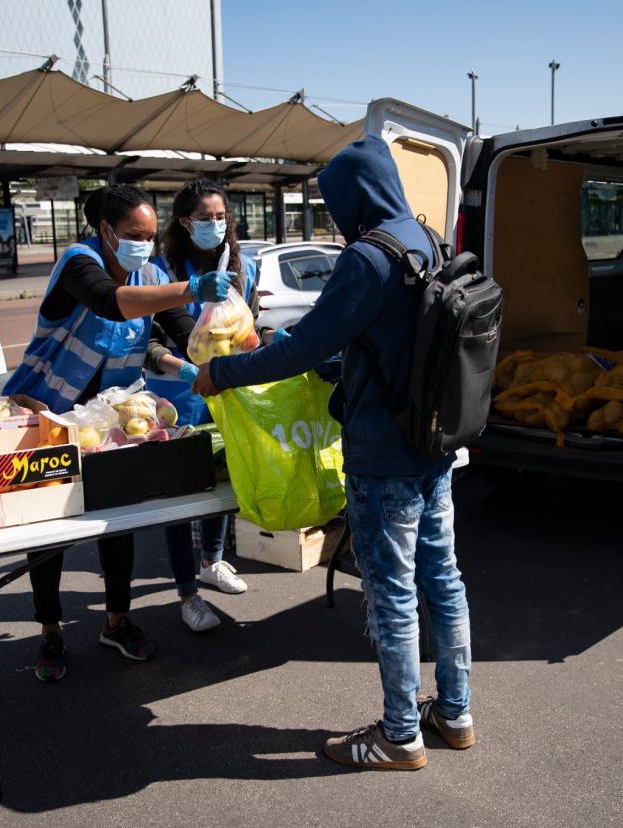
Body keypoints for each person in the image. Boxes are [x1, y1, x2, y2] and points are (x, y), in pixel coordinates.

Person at [192, 136, 474, 770]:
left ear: (351, 195)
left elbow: (300, 349)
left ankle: (400, 735)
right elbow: (374, 340)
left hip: (382, 454)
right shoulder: (426, 241)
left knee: (392, 592)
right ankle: (454, 714)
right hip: (433, 443)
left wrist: (225, 372)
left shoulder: (367, 258)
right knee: (443, 580)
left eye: (334, 199)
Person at [3, 184, 232, 683]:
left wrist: (212, 354)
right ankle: (50, 631)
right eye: (134, 235)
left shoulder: (151, 273)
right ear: (106, 231)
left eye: (150, 236)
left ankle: (116, 621)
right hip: (46, 417)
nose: (144, 245)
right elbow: (111, 304)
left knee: (117, 522)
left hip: (112, 424)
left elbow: (172, 332)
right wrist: (193, 288)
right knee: (46, 535)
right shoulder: (78, 263)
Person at [145, 179, 267, 606]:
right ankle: (186, 593)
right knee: (178, 496)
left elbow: (246, 327)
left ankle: (212, 562)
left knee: (222, 481)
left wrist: (266, 346)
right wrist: (187, 369)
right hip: (176, 397)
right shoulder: (158, 272)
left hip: (227, 392)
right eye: (204, 218)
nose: (214, 225)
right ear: (183, 221)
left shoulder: (244, 267)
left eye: (220, 217)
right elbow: (154, 338)